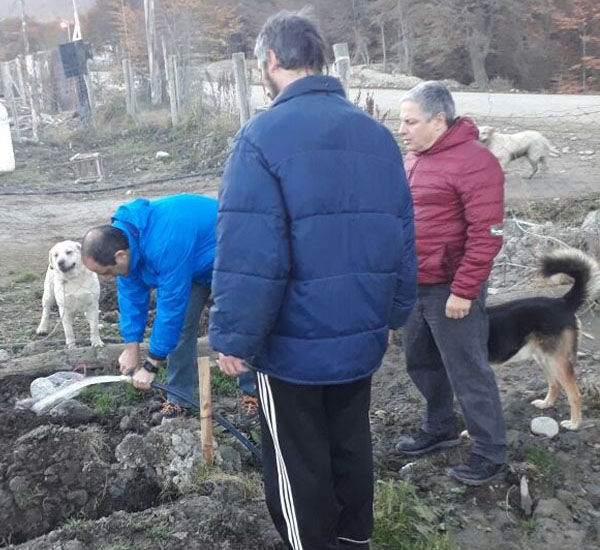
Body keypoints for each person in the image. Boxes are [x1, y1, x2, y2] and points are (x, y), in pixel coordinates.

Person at [209, 11, 417, 549]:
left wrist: (233, 337)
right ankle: (355, 540)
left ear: (271, 59)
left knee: (297, 462)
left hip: (292, 345)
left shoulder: (259, 138)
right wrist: (395, 311)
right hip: (361, 331)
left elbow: (251, 252)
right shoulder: (377, 136)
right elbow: (402, 233)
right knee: (350, 443)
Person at [395, 81, 507, 485]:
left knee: (467, 370)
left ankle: (490, 451)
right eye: (402, 121)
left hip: (451, 287)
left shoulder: (475, 162)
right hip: (415, 283)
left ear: (438, 120)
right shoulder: (414, 159)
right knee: (419, 360)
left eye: (410, 121)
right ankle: (440, 426)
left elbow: (487, 233)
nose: (402, 129)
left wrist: (463, 290)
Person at [81, 194, 258, 422]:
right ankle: (179, 399)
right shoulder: (125, 243)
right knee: (182, 328)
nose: (106, 278)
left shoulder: (163, 243)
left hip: (232, 255)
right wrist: (132, 347)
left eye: (106, 272)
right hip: (193, 265)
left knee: (240, 322)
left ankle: (251, 391)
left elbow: (171, 306)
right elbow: (130, 298)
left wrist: (151, 365)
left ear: (120, 256)